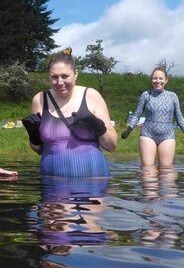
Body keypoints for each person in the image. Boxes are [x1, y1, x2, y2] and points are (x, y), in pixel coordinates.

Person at [22, 48, 117, 177]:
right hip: (52, 185)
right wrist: (33, 135)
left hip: (93, 183)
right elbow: (39, 150)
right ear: (48, 76)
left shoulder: (91, 96)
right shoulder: (40, 99)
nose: (60, 82)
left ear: (75, 74)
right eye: (54, 77)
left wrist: (96, 124)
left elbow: (111, 146)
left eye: (65, 76)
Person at [121, 67, 184, 168]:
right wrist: (128, 130)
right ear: (151, 80)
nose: (158, 81)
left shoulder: (172, 96)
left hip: (167, 136)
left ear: (166, 80)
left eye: (161, 78)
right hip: (148, 135)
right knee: (147, 171)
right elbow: (137, 114)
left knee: (166, 172)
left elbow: (179, 117)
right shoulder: (146, 95)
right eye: (155, 78)